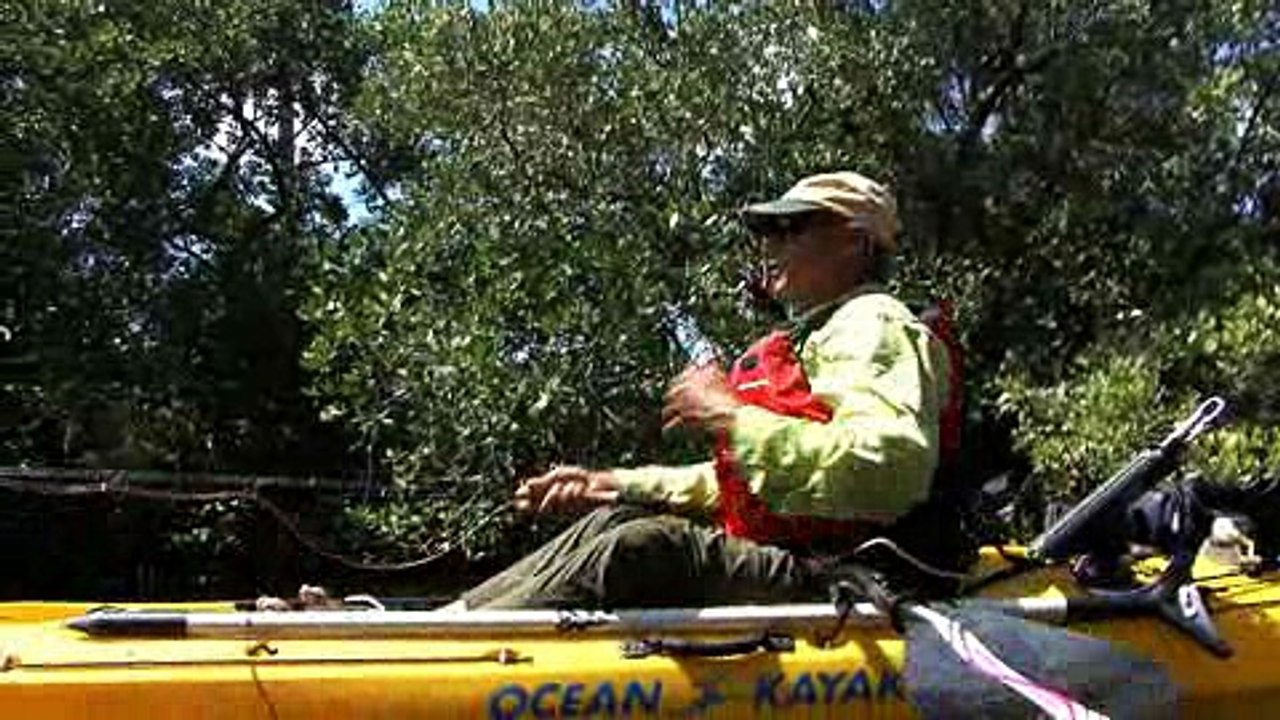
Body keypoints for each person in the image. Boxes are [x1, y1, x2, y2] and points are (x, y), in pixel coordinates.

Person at [444, 170, 959, 611]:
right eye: (766, 231)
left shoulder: (873, 325)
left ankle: (449, 653)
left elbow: (890, 470)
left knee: (646, 546)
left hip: (846, 574)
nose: (769, 244)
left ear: (854, 240)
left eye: (790, 228)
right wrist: (612, 481)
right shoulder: (820, 334)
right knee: (616, 516)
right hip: (801, 558)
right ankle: (439, 625)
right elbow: (752, 483)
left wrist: (731, 417)